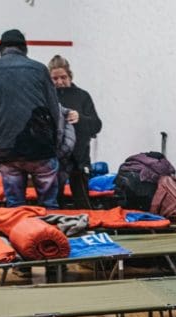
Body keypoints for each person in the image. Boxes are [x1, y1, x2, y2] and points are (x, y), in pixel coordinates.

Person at [0, 29, 63, 208]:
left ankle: (19, 223)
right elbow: (54, 111)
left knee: (15, 208)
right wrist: (53, 142)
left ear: (0, 48)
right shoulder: (39, 70)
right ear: (25, 48)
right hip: (40, 147)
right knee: (49, 205)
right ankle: (50, 223)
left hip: (5, 149)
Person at [47, 55, 103, 208]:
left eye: (63, 77)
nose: (59, 82)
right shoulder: (46, 97)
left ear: (70, 76)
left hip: (79, 158)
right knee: (54, 204)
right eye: (55, 78)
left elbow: (97, 125)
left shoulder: (82, 96)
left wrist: (80, 118)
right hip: (54, 159)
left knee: (83, 202)